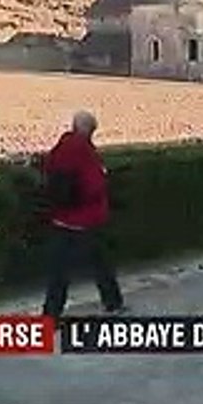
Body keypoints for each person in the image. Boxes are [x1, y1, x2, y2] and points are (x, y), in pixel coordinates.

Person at [41, 111, 125, 318]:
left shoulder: (60, 148)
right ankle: (113, 303)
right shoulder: (86, 152)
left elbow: (47, 173)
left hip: (60, 218)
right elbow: (94, 186)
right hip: (86, 221)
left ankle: (51, 315)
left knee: (58, 272)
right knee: (101, 264)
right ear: (90, 131)